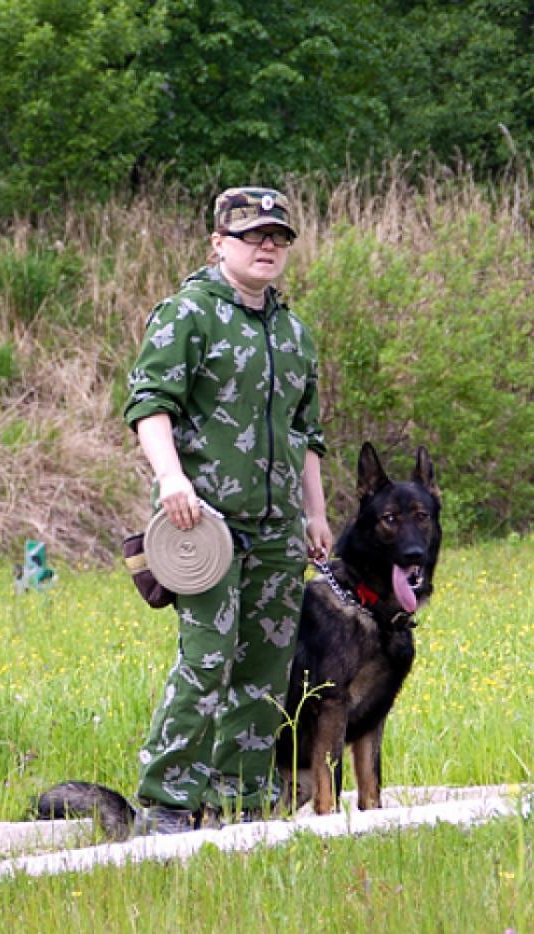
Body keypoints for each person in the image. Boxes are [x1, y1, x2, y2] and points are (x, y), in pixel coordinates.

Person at [122, 186, 332, 832]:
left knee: (266, 669)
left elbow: (306, 435)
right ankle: (167, 801)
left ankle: (242, 797)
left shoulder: (294, 333)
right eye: (251, 236)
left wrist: (315, 515)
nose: (267, 246)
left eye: (277, 237)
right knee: (208, 658)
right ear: (219, 244)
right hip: (205, 524)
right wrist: (170, 480)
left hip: (278, 531)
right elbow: (149, 404)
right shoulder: (188, 314)